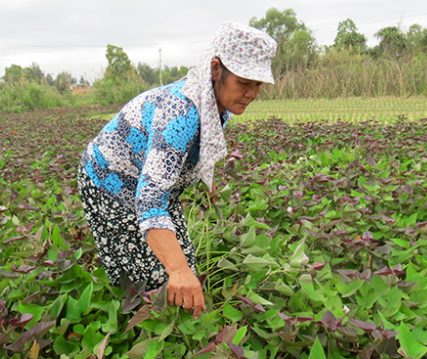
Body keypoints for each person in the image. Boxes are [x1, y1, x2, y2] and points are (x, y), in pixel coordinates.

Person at [77, 22, 277, 319]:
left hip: (151, 185)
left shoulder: (216, 103)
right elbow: (149, 202)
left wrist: (203, 182)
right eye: (244, 83)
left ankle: (175, 322)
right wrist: (177, 270)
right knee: (152, 282)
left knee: (183, 272)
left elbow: (193, 151)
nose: (251, 93)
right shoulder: (180, 112)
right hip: (110, 182)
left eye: (257, 84)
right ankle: (129, 328)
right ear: (215, 69)